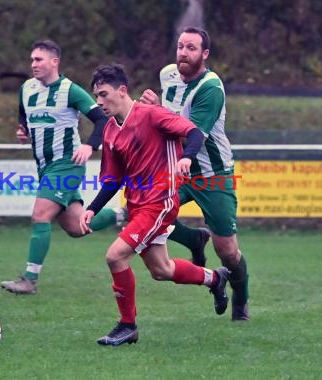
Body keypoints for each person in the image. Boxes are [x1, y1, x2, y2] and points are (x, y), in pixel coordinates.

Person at [80, 63, 230, 346]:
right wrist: (91, 208)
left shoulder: (152, 115)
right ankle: (215, 279)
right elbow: (113, 180)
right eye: (96, 96)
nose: (99, 102)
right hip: (138, 206)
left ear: (122, 91)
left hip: (159, 203)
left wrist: (187, 156)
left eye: (103, 94)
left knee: (115, 256)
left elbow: (195, 133)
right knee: (162, 270)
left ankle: (127, 326)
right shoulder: (111, 131)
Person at [140, 27, 250, 321]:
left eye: (191, 48)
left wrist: (157, 113)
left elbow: (193, 134)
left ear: (205, 54)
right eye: (180, 46)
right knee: (144, 210)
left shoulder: (211, 88)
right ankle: (192, 240)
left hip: (212, 174)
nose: (183, 53)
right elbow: (167, 120)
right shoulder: (168, 76)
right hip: (178, 168)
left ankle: (241, 300)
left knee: (227, 251)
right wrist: (152, 110)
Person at [0, 40, 123, 295]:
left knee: (40, 215)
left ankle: (30, 280)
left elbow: (102, 120)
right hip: (45, 167)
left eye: (39, 60)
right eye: (32, 59)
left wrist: (90, 146)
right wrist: (24, 132)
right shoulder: (26, 89)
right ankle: (124, 213)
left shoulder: (70, 90)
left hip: (67, 165)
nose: (33, 64)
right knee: (76, 228)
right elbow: (24, 116)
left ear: (54, 62)